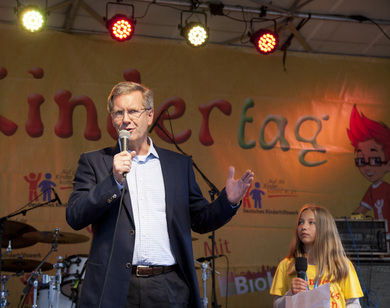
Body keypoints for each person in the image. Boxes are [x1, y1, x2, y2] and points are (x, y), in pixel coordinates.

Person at [66, 81, 254, 308]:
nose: (126, 119)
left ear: (150, 115)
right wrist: (112, 180)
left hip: (168, 285)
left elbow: (199, 219)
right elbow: (75, 216)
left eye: (133, 111)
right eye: (118, 112)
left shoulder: (178, 165)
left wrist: (228, 202)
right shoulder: (95, 162)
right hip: (114, 286)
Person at [270, 204, 363, 308]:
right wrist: (291, 294)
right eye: (301, 222)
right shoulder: (286, 265)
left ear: (325, 228)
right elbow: (276, 305)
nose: (303, 227)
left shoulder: (341, 264)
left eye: (311, 222)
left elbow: (354, 303)